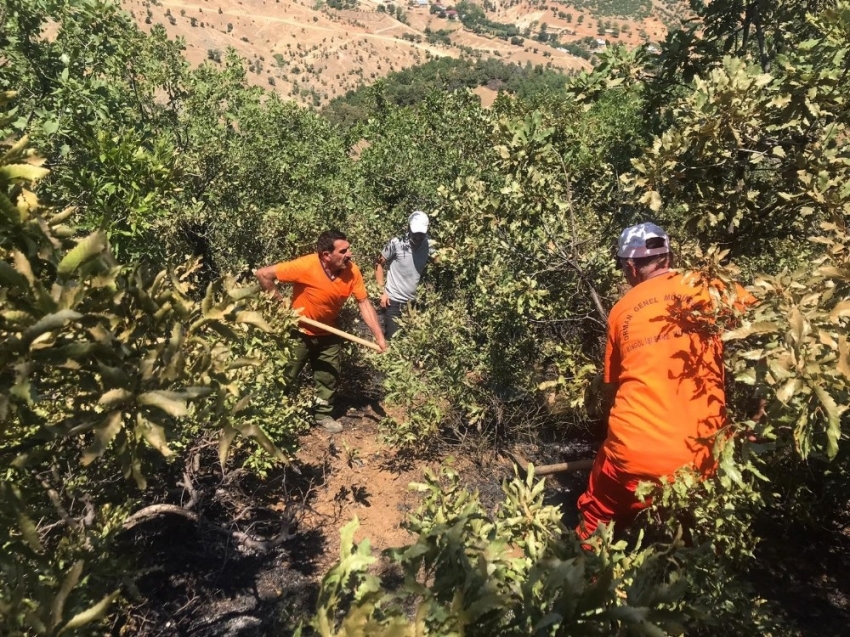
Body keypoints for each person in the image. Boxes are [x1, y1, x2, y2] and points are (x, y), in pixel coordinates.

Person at [575, 222, 750, 540]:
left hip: (635, 455)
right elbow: (769, 319)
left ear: (630, 266)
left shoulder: (621, 312)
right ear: (668, 256)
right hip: (706, 455)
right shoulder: (708, 286)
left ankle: (584, 574)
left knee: (597, 513)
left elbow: (613, 384)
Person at [255, 230, 387, 434]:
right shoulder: (306, 265)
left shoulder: (353, 272)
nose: (349, 254)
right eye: (343, 251)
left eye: (348, 249)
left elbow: (364, 304)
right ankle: (271, 416)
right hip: (298, 332)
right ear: (326, 255)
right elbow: (263, 274)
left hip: (329, 332)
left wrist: (379, 337)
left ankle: (322, 414)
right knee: (285, 375)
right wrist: (281, 307)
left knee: (328, 375)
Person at [375, 210, 433, 340]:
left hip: (412, 303)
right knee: (394, 341)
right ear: (408, 228)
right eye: (415, 233)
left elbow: (440, 261)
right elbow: (378, 264)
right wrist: (381, 291)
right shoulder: (396, 243)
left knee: (411, 343)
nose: (418, 237)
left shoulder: (429, 245)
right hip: (393, 301)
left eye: (421, 234)